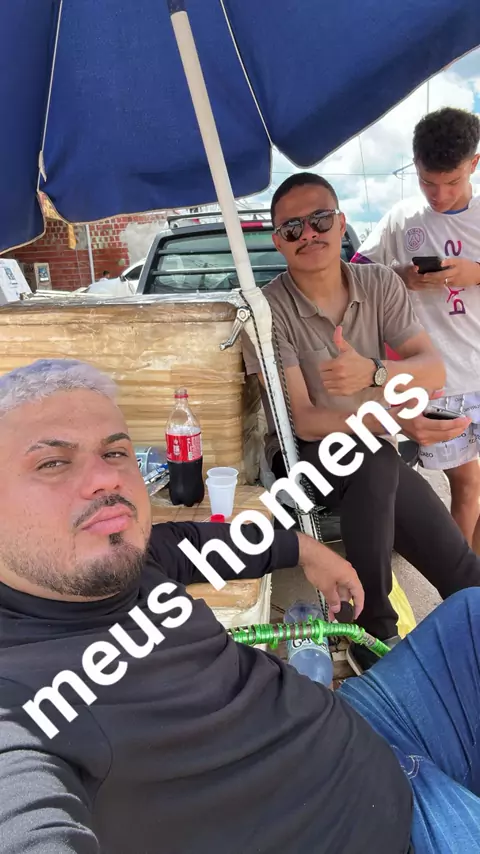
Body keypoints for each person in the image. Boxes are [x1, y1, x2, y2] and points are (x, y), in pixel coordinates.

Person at [0, 358, 479, 854]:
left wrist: (306, 550)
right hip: (389, 831)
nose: (106, 478)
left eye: (115, 451)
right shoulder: (18, 704)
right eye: (52, 462)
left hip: (362, 725)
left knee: (472, 611)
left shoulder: (133, 560)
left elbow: (191, 539)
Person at [241, 171, 480, 672]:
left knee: (463, 571)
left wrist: (374, 372)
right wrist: (395, 419)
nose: (309, 233)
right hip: (305, 461)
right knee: (375, 458)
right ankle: (374, 630)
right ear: (277, 241)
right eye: (292, 227)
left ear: (341, 221)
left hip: (375, 452)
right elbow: (304, 421)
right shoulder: (266, 311)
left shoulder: (379, 283)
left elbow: (431, 368)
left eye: (320, 219)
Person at [353, 108, 480, 551]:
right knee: (466, 485)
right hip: (440, 383)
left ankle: (469, 576)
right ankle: (462, 582)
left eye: (452, 182)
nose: (440, 195)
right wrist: (399, 276)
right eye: (428, 182)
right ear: (414, 166)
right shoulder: (402, 219)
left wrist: (475, 273)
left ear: (474, 163)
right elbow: (356, 273)